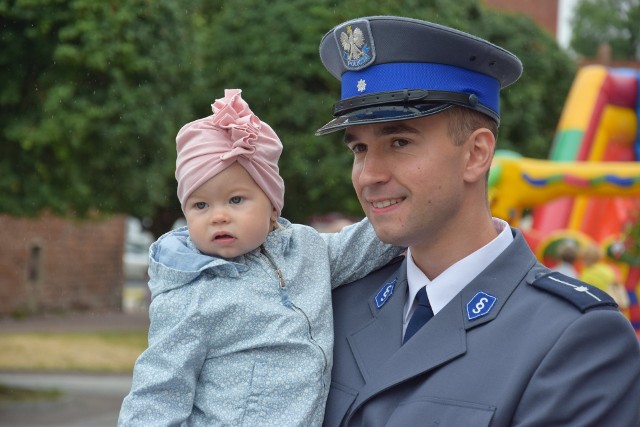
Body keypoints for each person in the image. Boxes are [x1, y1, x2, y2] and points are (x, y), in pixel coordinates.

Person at [314, 16, 640, 426]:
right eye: (359, 148)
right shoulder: (335, 305)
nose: (369, 175)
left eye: (399, 142)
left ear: (476, 154)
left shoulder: (575, 339)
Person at [118, 89, 403, 426]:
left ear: (271, 205)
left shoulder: (307, 251)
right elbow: (158, 393)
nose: (218, 216)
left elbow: (368, 244)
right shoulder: (192, 294)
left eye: (236, 200)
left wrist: (431, 213)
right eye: (200, 205)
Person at [580, 243, 630, 309]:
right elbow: (617, 282)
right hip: (611, 305)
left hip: (595, 307)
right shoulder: (608, 269)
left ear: (585, 258)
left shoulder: (586, 274)